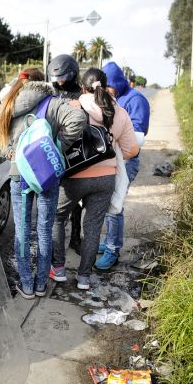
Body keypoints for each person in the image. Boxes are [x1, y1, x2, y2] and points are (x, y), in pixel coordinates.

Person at [0, 67, 85, 299]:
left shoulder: (9, 105)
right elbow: (78, 118)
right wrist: (57, 148)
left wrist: (9, 152)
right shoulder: (53, 103)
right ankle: (40, 285)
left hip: (20, 175)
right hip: (47, 175)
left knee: (22, 231)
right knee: (45, 230)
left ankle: (26, 285)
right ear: (42, 82)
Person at [50, 68, 139, 288]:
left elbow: (55, 139)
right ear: (106, 85)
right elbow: (131, 151)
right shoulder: (118, 111)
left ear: (82, 87)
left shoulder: (72, 106)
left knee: (57, 218)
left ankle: (58, 269)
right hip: (105, 178)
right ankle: (83, 277)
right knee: (93, 226)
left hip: (74, 176)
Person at [97, 62, 150, 269]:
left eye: (108, 86)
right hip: (111, 158)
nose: (106, 90)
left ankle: (112, 249)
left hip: (127, 160)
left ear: (117, 82)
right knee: (109, 203)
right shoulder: (113, 97)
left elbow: (137, 137)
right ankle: (110, 241)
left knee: (114, 205)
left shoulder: (136, 100)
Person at [48, 53, 85, 253]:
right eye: (57, 78)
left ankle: (75, 238)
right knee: (55, 201)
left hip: (76, 154)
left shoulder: (81, 94)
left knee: (76, 202)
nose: (60, 81)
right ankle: (55, 242)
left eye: (63, 77)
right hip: (54, 151)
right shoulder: (51, 93)